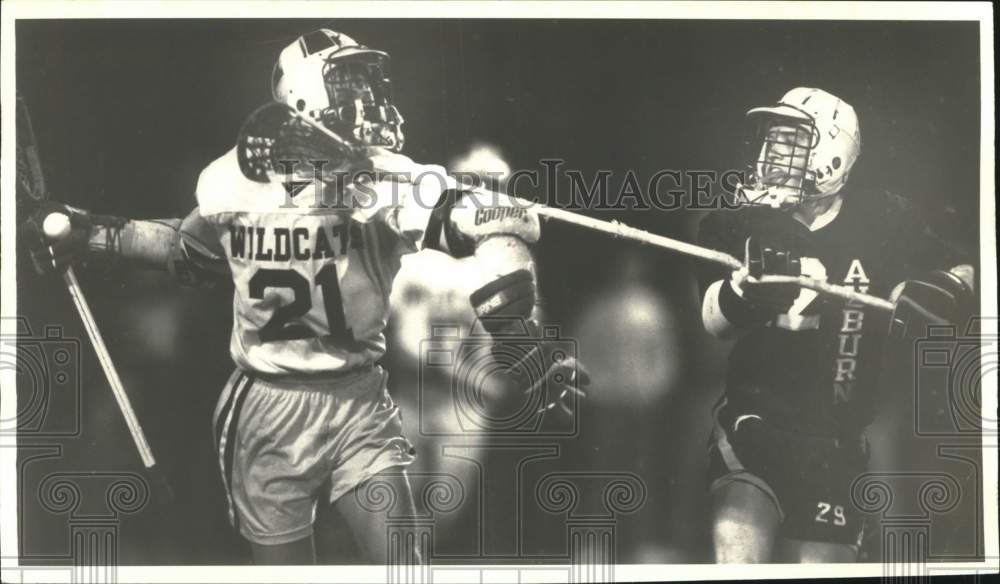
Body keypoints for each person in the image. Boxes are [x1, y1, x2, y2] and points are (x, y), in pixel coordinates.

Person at [23, 28, 587, 565]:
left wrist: (518, 330)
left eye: (370, 85)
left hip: (359, 397)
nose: (370, 100)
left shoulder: (381, 179)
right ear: (304, 96)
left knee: (406, 561)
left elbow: (484, 225)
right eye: (350, 85)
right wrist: (90, 233)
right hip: (270, 401)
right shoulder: (241, 184)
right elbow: (189, 250)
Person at [698, 87, 975, 562]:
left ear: (832, 152)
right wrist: (744, 294)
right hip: (755, 426)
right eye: (770, 140)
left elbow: (968, 267)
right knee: (736, 552)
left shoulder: (884, 220)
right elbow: (712, 322)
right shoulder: (737, 221)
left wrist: (946, 287)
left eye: (789, 141)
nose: (771, 154)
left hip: (836, 439)